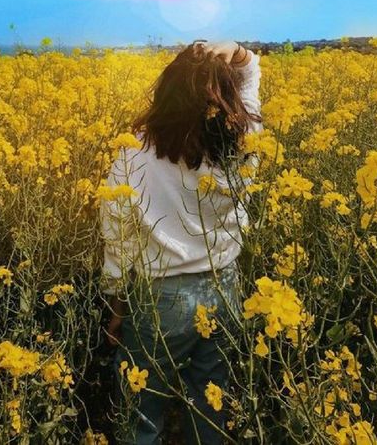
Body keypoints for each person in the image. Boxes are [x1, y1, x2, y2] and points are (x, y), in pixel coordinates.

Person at [99, 39, 263, 444]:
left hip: (162, 298)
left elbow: (118, 236)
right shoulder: (245, 144)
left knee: (141, 409)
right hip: (224, 287)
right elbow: (251, 79)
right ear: (227, 98)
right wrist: (237, 53)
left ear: (166, 91)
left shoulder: (135, 153)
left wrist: (117, 305)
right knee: (209, 401)